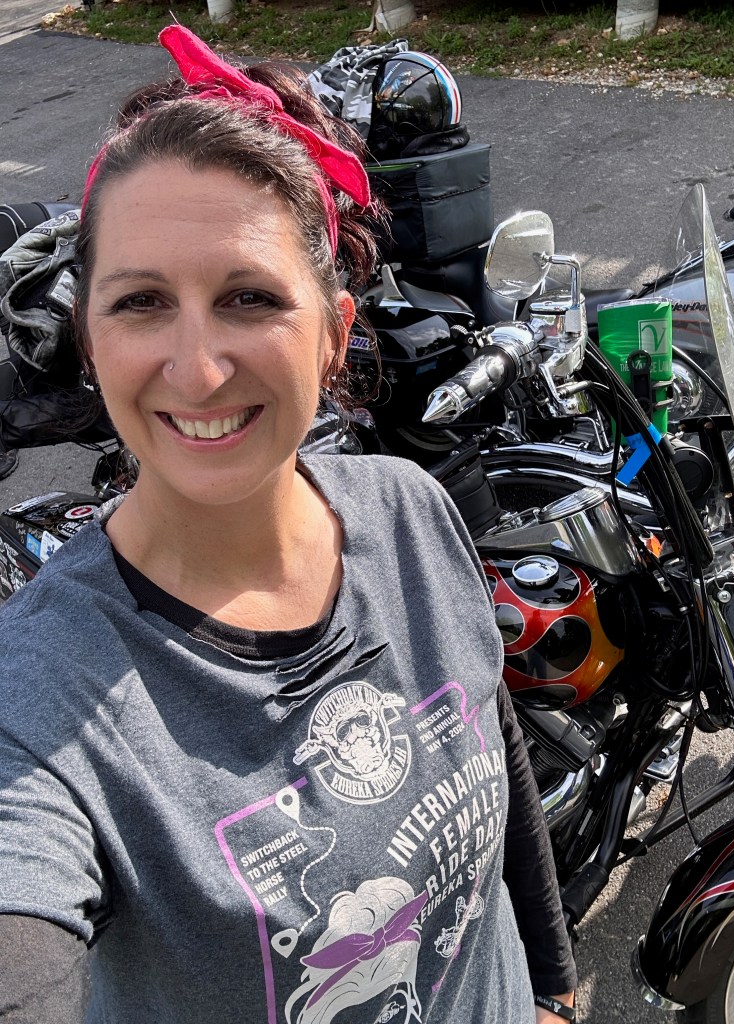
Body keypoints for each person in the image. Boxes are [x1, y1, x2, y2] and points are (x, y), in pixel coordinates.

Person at [0, 26, 577, 1024]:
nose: (198, 368)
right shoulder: (39, 699)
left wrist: (556, 989)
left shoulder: (409, 511)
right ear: (91, 345)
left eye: (249, 297)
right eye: (141, 303)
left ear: (333, 335)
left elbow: (492, 736)